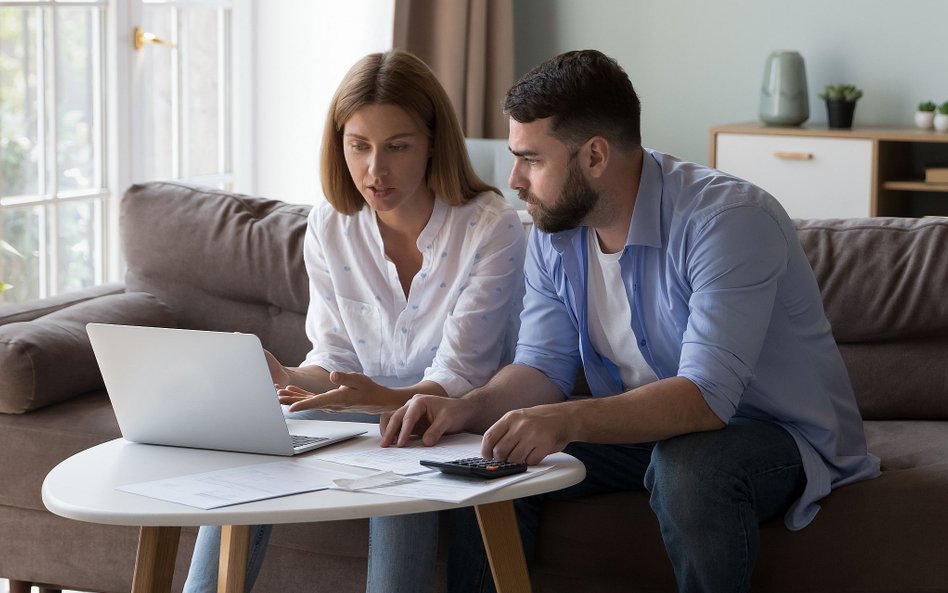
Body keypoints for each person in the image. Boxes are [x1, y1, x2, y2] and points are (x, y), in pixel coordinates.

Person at [381, 49, 881, 593]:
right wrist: (466, 408)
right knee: (487, 455)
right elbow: (541, 367)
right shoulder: (554, 232)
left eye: (531, 159)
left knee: (689, 468)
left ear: (595, 155)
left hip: (769, 434)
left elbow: (705, 399)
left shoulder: (728, 221)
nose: (515, 180)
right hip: (642, 430)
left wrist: (565, 421)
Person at [182, 50, 526, 593]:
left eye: (397, 146)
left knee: (403, 440)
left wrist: (373, 400)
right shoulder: (330, 225)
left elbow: (462, 374)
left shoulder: (492, 229)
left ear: (433, 142)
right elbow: (335, 358)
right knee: (259, 442)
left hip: (455, 420)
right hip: (364, 413)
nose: (375, 170)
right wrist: (287, 377)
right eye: (358, 146)